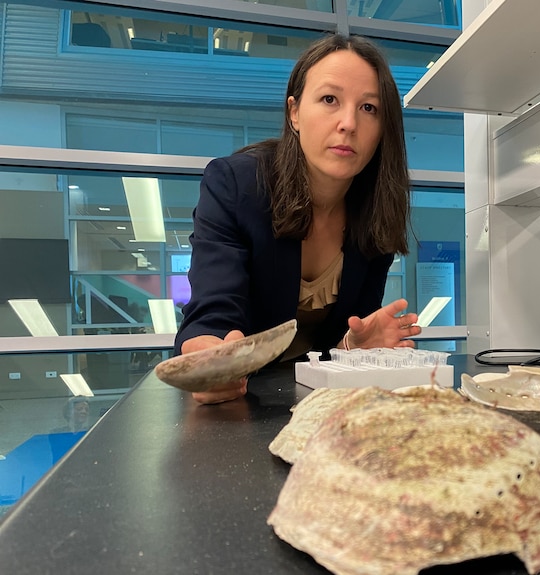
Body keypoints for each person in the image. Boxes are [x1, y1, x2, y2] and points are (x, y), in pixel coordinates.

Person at [174, 34, 422, 405]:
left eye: (369, 108)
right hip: (239, 399)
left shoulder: (377, 207)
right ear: (294, 113)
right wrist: (210, 359)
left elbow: (343, 337)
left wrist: (352, 345)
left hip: (317, 399)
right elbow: (212, 313)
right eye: (329, 100)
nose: (348, 123)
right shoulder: (237, 186)